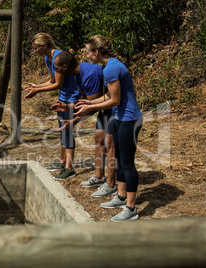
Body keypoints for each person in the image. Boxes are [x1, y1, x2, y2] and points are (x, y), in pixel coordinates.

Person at [74, 35, 143, 222]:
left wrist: (90, 107)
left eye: (88, 52)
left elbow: (115, 100)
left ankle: (131, 208)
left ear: (96, 52)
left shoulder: (111, 68)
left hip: (129, 119)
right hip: (118, 117)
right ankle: (121, 196)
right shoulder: (108, 66)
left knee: (127, 162)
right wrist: (88, 102)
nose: (87, 55)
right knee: (119, 158)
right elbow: (108, 97)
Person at [52, 51, 117, 197]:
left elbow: (92, 106)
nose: (55, 71)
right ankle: (99, 176)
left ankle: (111, 183)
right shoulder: (77, 74)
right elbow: (84, 100)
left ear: (65, 66)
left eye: (57, 68)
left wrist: (73, 121)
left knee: (110, 144)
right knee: (99, 138)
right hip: (104, 106)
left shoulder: (89, 75)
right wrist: (68, 107)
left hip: (114, 107)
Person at [23, 33, 81, 180]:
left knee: (67, 131)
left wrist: (37, 91)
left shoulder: (58, 58)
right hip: (63, 96)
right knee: (62, 130)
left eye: (36, 48)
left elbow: (58, 84)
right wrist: (37, 86)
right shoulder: (47, 58)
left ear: (44, 46)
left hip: (72, 97)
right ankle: (62, 162)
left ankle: (70, 168)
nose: (34, 51)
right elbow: (51, 80)